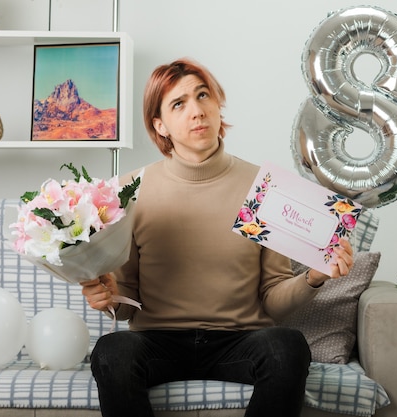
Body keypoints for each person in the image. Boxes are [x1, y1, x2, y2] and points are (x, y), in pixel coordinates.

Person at [81, 58, 354, 417]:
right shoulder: (129, 192)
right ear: (159, 125)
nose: (196, 111)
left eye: (203, 95)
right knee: (111, 351)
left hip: (240, 340)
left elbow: (272, 298)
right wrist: (107, 295)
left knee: (287, 345)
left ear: (216, 104)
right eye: (179, 103)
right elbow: (127, 293)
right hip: (157, 341)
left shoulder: (262, 188)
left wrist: (313, 278)